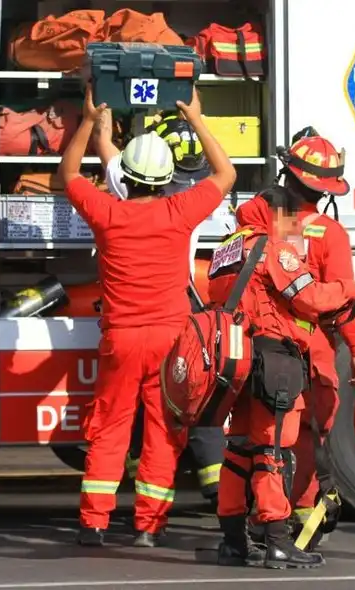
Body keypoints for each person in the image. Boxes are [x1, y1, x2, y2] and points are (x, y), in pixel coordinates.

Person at [62, 85, 236, 547]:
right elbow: (226, 174)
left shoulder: (107, 213)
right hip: (169, 341)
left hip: (121, 340)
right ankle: (148, 529)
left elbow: (69, 174)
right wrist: (197, 118)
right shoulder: (181, 211)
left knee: (109, 428)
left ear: (127, 177)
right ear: (164, 179)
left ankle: (93, 524)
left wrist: (88, 120)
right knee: (164, 431)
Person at [208, 189, 355, 569]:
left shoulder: (225, 250)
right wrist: (352, 289)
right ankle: (278, 540)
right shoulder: (273, 248)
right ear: (277, 216)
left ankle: (233, 540)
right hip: (272, 361)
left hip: (236, 360)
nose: (295, 230)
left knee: (237, 451)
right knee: (273, 450)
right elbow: (311, 297)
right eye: (292, 221)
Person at [92, 108, 227, 501]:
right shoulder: (193, 204)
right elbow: (226, 174)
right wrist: (200, 117)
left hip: (128, 315)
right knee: (185, 403)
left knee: (123, 412)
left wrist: (97, 110)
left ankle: (125, 486)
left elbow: (104, 147)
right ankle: (215, 488)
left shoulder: (123, 192)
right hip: (176, 309)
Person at [274, 127, 355, 548]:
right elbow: (342, 298)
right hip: (315, 350)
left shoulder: (279, 226)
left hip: (272, 346)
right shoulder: (331, 233)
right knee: (312, 437)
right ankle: (302, 527)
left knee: (272, 435)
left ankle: (267, 519)